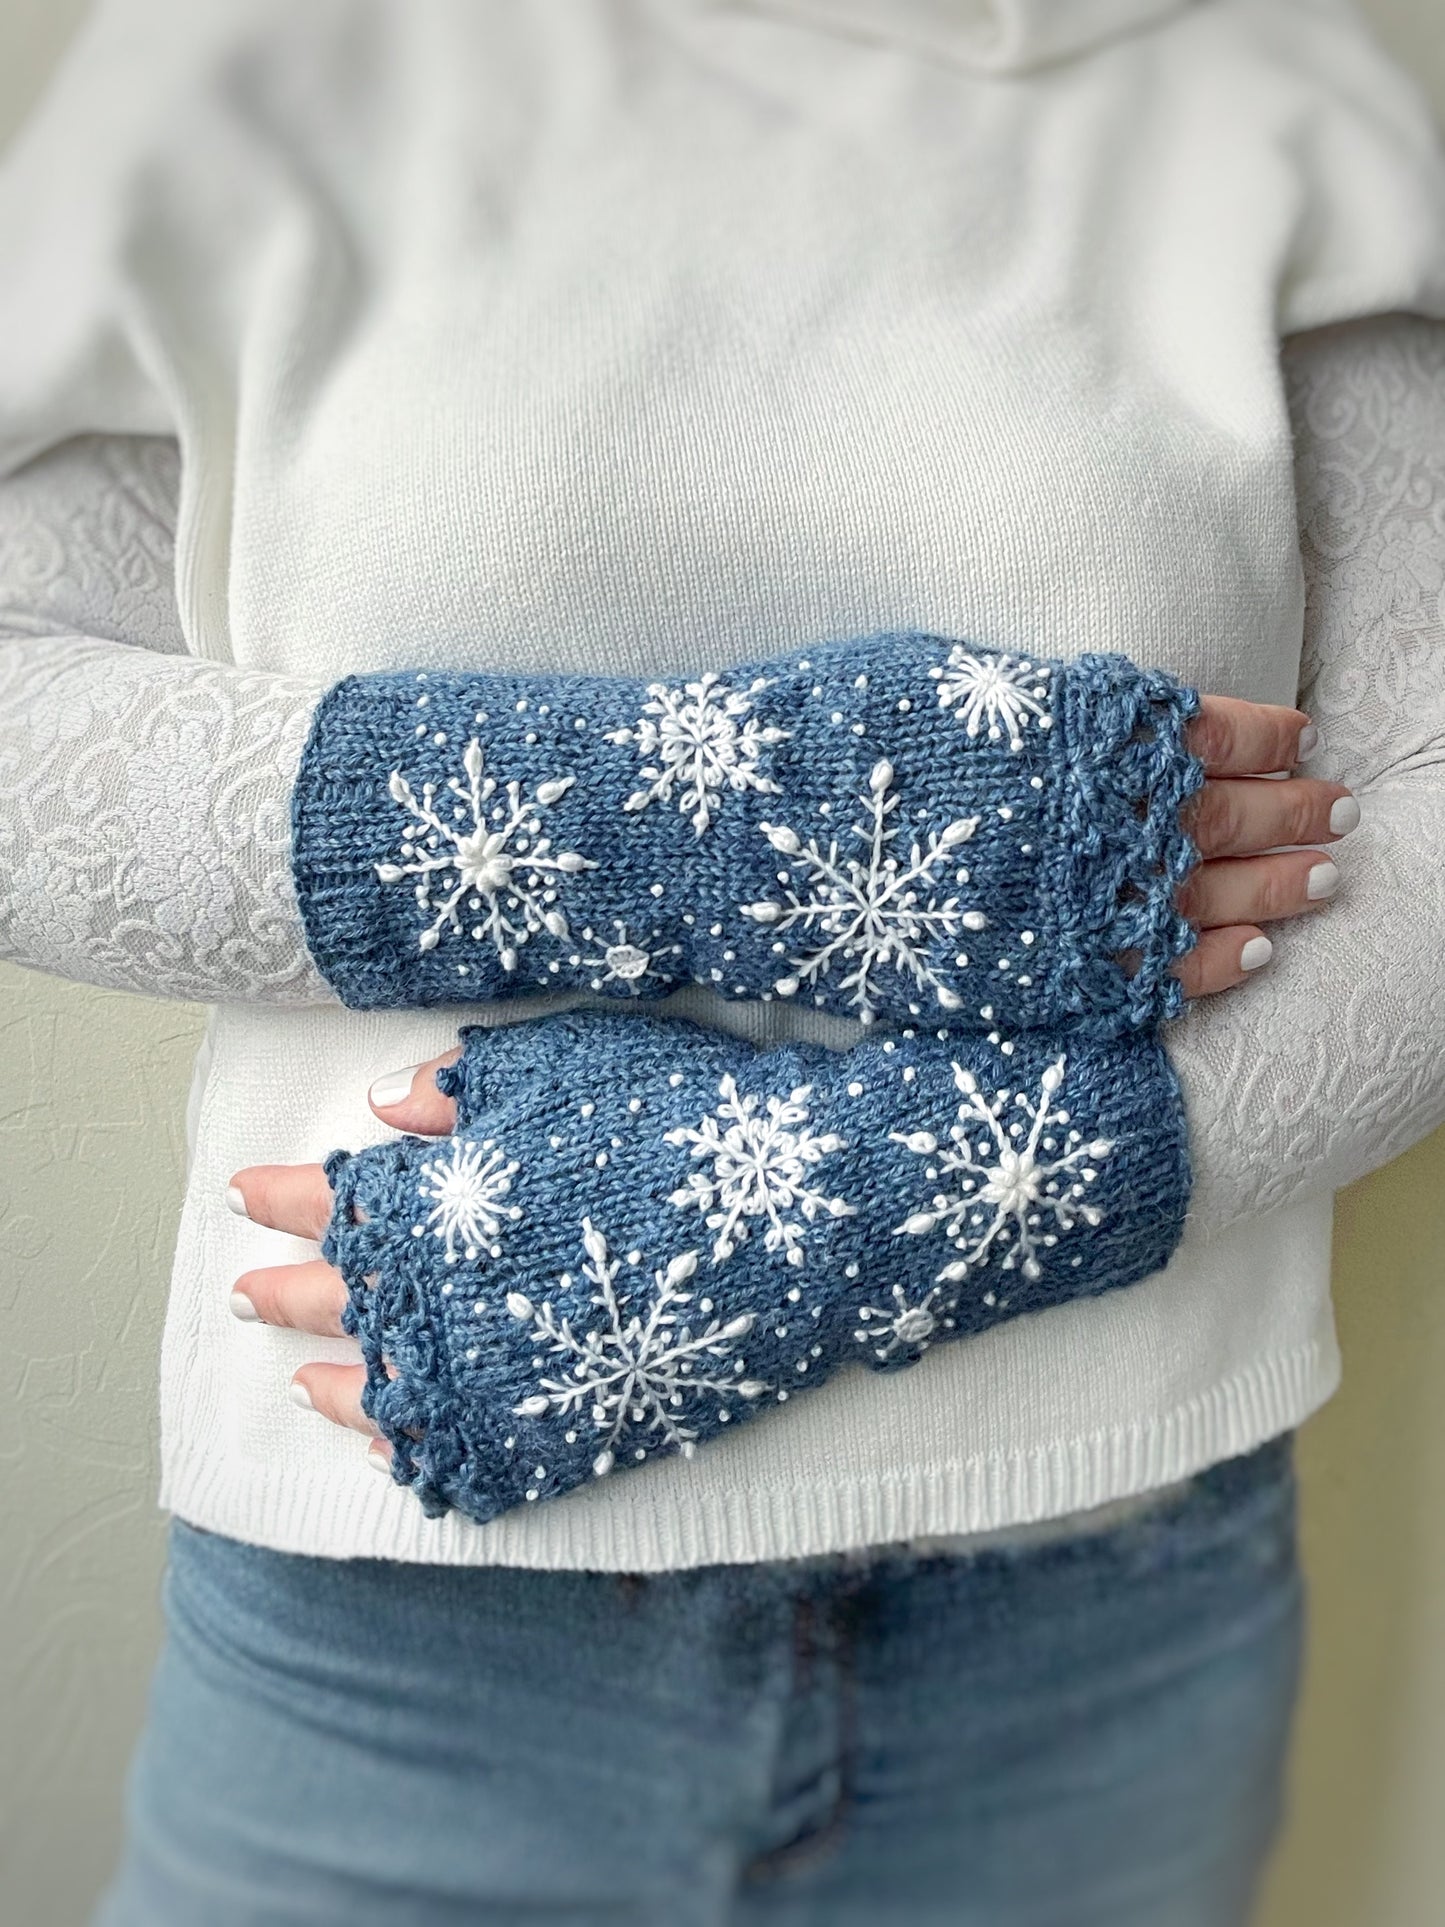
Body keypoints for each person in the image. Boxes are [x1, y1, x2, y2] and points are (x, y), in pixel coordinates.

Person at [1, 1, 1443, 1920]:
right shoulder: (254, 64)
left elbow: (1424, 791)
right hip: (399, 1648)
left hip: (1108, 1627)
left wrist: (885, 1197)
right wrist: (718, 814)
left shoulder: (1258, 86)